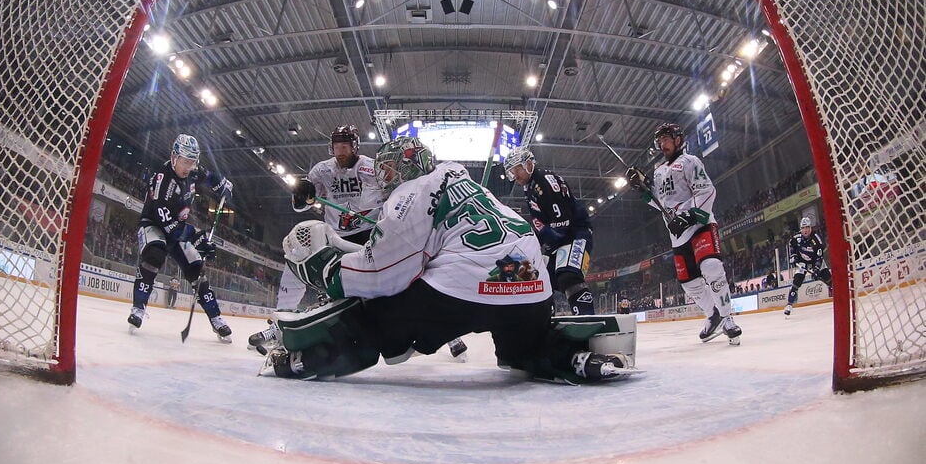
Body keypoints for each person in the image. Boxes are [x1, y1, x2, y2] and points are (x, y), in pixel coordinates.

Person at [274, 136, 632, 383]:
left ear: (405, 166)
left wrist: (329, 272)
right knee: (522, 348)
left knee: (374, 320)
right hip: (529, 282)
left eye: (387, 170)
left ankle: (306, 359)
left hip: (466, 291)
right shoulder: (460, 177)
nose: (383, 179)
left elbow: (383, 275)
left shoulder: (408, 195)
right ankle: (574, 358)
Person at [246, 125, 468, 360]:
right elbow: (301, 205)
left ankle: (448, 334)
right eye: (336, 147)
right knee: (295, 259)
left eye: (345, 146)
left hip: (372, 233)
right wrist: (302, 195)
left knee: (405, 278)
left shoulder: (372, 167)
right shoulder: (321, 171)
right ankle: (280, 321)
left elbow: (398, 193)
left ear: (355, 147)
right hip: (334, 236)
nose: (340, 151)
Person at [625, 123, 742, 344]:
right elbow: (660, 203)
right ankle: (713, 315)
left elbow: (707, 190)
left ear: (678, 140)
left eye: (666, 139)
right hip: (678, 235)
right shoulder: (659, 172)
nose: (662, 144)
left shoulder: (690, 162)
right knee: (689, 283)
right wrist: (641, 189)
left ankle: (727, 318)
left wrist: (689, 216)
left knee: (711, 267)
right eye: (659, 141)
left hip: (700, 225)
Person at [127, 134, 234, 341]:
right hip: (154, 225)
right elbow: (169, 226)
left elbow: (210, 176)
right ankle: (138, 308)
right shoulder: (162, 181)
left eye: (193, 162)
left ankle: (216, 319)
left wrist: (222, 185)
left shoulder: (193, 171)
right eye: (185, 161)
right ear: (174, 157)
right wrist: (197, 238)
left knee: (196, 271)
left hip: (177, 227)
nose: (189, 166)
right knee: (155, 254)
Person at [503, 147, 596, 315]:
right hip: (556, 239)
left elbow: (562, 224)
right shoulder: (530, 185)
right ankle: (544, 318)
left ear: (529, 165)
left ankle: (586, 318)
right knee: (534, 277)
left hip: (574, 235)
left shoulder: (545, 182)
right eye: (511, 172)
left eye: (517, 170)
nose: (514, 176)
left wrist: (540, 246)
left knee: (568, 275)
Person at [784, 217, 832, 316]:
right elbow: (791, 245)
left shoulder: (816, 240)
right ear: (801, 229)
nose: (805, 230)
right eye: (803, 228)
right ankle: (789, 305)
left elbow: (819, 257)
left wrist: (816, 269)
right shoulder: (796, 238)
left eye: (807, 227)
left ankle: (834, 291)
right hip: (803, 262)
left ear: (811, 228)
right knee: (796, 282)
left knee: (828, 278)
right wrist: (793, 256)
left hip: (815, 261)